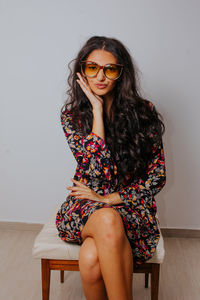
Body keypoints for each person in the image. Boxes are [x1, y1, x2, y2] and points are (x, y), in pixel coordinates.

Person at [56, 36, 166, 300]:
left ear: (121, 74)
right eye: (92, 67)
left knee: (91, 256)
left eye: (110, 69)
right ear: (82, 71)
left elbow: (157, 177)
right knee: (106, 217)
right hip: (86, 206)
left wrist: (111, 199)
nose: (100, 77)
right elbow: (97, 172)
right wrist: (96, 111)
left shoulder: (144, 112)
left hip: (130, 206)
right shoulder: (71, 117)